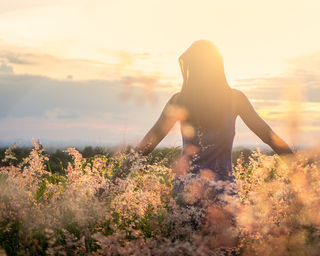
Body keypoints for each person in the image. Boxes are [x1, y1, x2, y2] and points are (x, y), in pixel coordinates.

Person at [111, 40, 294, 183]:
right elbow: (270, 138)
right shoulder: (235, 99)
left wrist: (112, 183)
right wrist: (304, 175)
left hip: (187, 190)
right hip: (222, 192)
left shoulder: (180, 100)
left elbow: (147, 146)